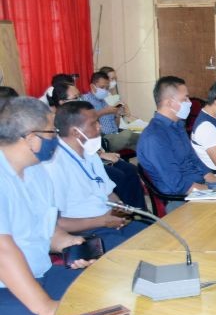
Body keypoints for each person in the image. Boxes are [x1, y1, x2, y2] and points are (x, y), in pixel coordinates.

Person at [0, 97, 94, 315]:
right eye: (53, 132)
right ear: (32, 139)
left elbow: (46, 230)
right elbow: (2, 251)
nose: (57, 138)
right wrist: (44, 306)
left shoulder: (38, 172)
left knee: (100, 295)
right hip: (5, 286)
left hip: (41, 273)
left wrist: (70, 243)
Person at [43, 101, 147, 250]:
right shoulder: (53, 165)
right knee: (137, 251)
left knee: (154, 234)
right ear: (75, 132)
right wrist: (102, 221)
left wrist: (119, 208)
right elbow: (57, 224)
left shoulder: (89, 152)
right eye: (94, 124)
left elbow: (108, 192)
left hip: (108, 221)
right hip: (86, 232)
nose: (100, 127)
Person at [137, 76, 216, 212]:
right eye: (185, 99)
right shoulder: (154, 137)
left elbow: (194, 159)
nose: (190, 103)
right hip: (180, 199)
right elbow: (178, 185)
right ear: (170, 103)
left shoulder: (177, 125)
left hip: (198, 188)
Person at [82, 71, 139, 152]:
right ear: (92, 87)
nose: (105, 90)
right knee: (129, 134)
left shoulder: (104, 102)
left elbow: (116, 125)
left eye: (107, 88)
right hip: (104, 138)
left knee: (141, 142)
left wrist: (117, 114)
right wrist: (104, 111)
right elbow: (86, 120)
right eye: (102, 87)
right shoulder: (86, 100)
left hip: (115, 134)